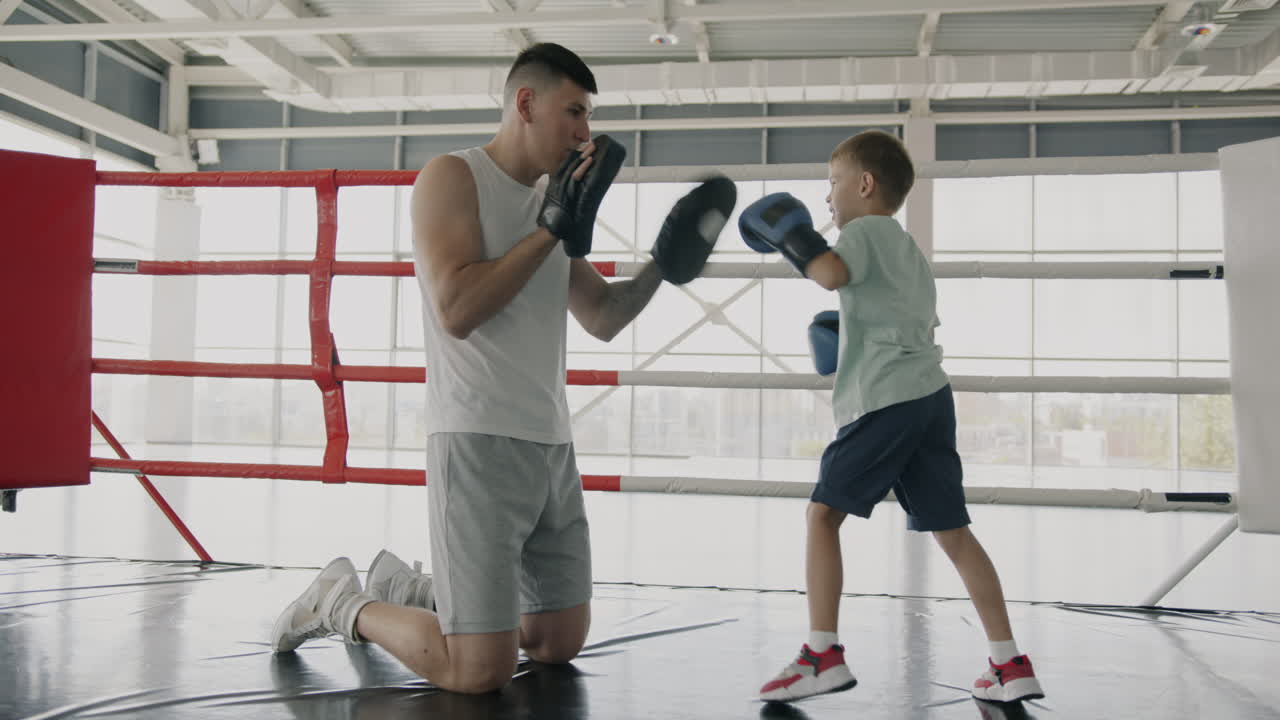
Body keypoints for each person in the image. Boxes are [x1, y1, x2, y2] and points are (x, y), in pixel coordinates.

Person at [267, 42, 735, 694]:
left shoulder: (553, 198)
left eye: (588, 116)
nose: (584, 132)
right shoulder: (452, 178)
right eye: (574, 111)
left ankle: (412, 588)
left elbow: (600, 315)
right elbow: (457, 307)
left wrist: (665, 263)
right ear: (525, 103)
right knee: (476, 672)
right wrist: (550, 228)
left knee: (555, 643)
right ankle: (343, 601)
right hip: (477, 442)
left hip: (550, 446)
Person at [740, 129, 1044, 704]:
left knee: (822, 516)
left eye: (833, 183)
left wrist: (793, 239)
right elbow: (894, 314)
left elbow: (830, 273)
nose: (827, 197)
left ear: (865, 183)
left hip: (885, 399)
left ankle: (821, 654)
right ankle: (1009, 662)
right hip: (930, 396)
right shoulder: (907, 247)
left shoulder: (863, 231)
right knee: (954, 532)